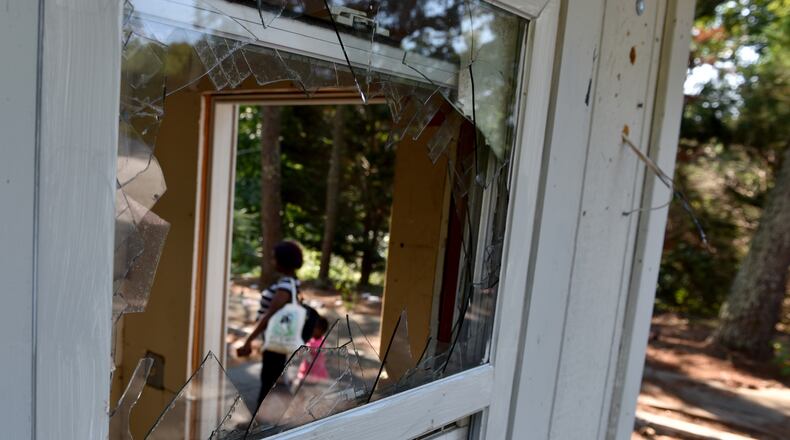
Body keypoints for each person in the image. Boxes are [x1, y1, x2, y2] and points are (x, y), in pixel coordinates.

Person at [236, 240, 307, 408]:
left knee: (269, 380)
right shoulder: (291, 282)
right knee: (274, 378)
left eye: (275, 258)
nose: (272, 261)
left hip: (276, 341)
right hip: (278, 339)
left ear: (283, 260)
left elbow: (269, 316)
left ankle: (258, 422)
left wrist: (248, 340)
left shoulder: (284, 286)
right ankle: (295, 409)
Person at [296, 316, 330, 386]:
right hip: (318, 371)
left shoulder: (313, 344)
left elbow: (300, 353)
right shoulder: (322, 340)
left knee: (302, 388)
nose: (311, 329)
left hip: (310, 372)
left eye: (314, 328)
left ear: (321, 330)